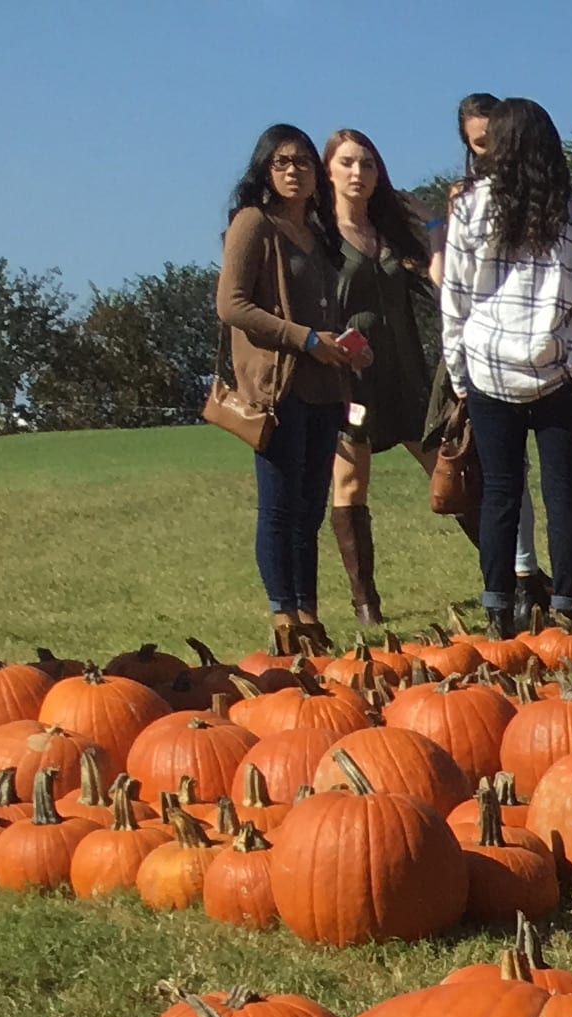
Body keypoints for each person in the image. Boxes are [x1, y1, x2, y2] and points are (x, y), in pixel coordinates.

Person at [440, 98, 572, 633]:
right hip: (557, 372)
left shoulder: (468, 209)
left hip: (487, 369)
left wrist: (460, 376)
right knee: (564, 490)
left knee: (501, 491)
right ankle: (568, 606)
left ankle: (498, 607)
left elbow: (454, 299)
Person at [214, 124, 364, 654]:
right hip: (279, 388)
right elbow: (231, 305)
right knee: (278, 508)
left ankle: (308, 611)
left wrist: (344, 344)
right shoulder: (255, 224)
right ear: (265, 170)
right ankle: (284, 614)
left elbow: (323, 306)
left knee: (310, 509)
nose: (294, 171)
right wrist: (302, 338)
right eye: (282, 162)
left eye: (302, 162)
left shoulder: (319, 231)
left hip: (325, 384)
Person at [324, 129, 436, 640]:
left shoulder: (390, 232)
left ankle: (509, 579)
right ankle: (365, 601)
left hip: (407, 372)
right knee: (350, 482)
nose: (357, 173)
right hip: (350, 381)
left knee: (447, 471)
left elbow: (438, 275)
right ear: (328, 170)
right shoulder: (319, 237)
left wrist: (428, 221)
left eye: (367, 164)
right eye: (347, 162)